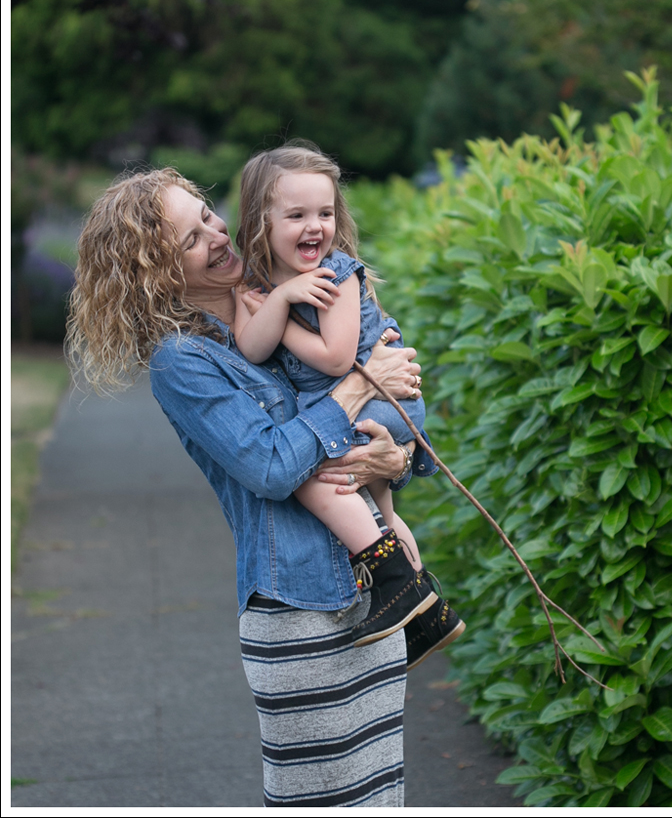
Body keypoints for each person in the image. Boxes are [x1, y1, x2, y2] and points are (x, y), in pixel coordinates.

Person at [64, 167, 443, 806]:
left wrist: (396, 461)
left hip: (377, 594)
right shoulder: (184, 361)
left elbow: (361, 443)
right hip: (300, 610)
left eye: (207, 216)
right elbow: (271, 466)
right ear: (158, 274)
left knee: (380, 795)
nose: (217, 235)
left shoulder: (279, 297)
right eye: (190, 240)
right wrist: (360, 384)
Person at [232, 142, 464, 652]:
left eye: (325, 213)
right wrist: (278, 298)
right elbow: (250, 347)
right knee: (383, 516)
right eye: (296, 215)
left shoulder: (335, 275)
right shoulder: (258, 283)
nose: (315, 226)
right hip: (344, 404)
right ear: (260, 221)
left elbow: (337, 358)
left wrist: (280, 310)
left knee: (312, 477)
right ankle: (426, 616)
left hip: (381, 401)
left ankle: (396, 588)